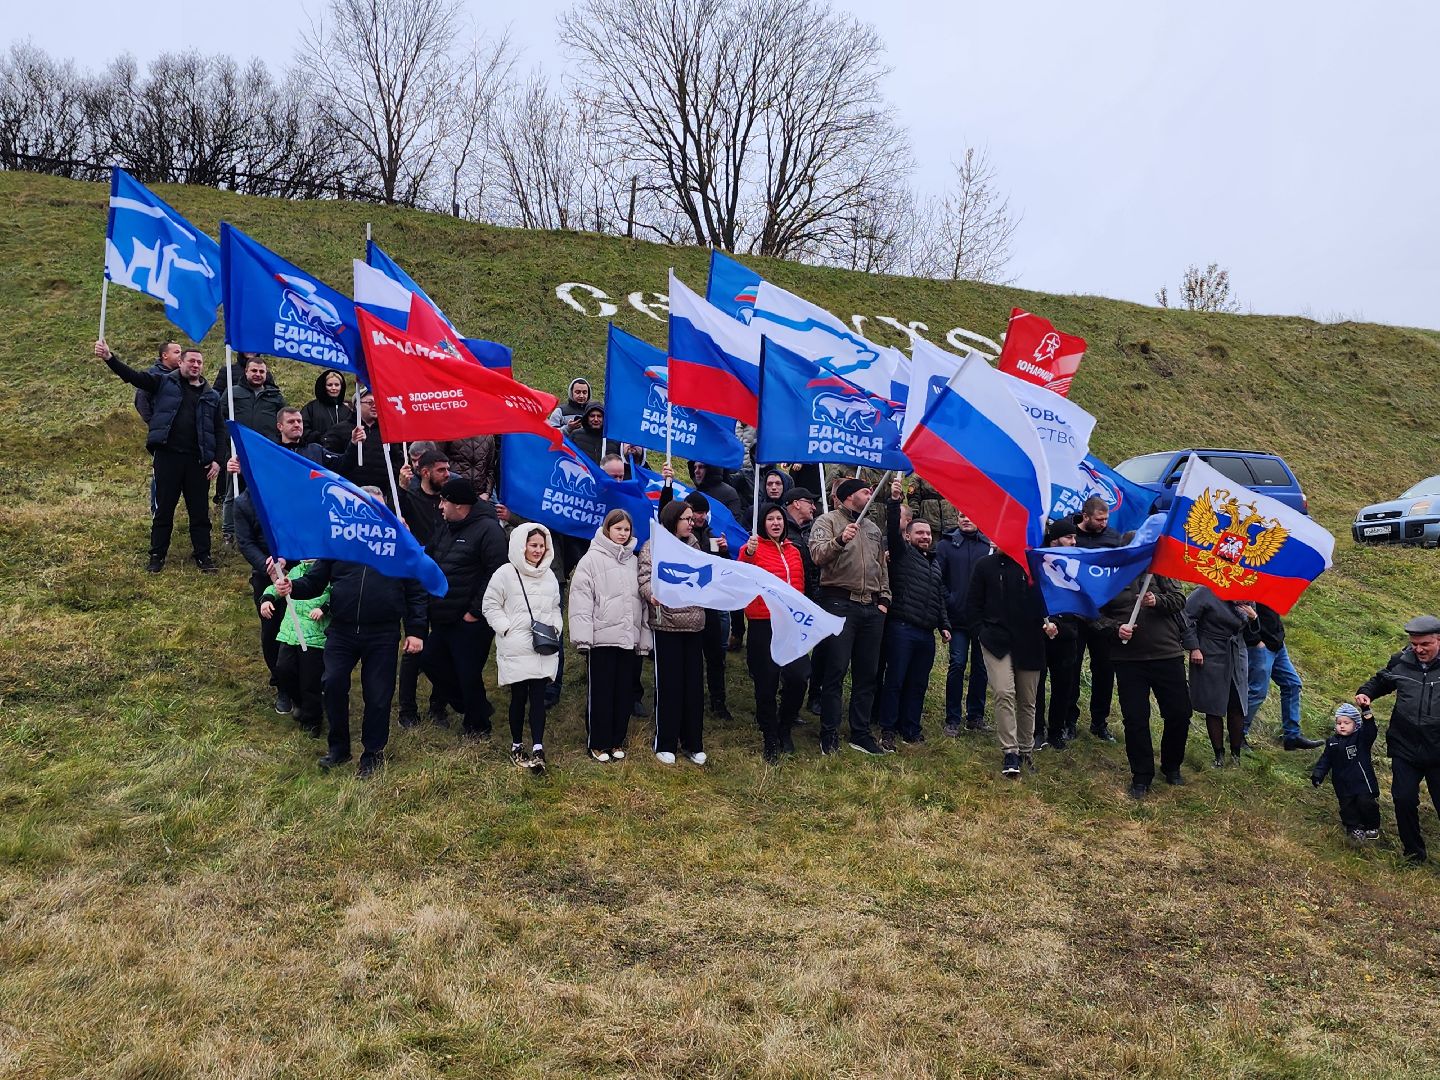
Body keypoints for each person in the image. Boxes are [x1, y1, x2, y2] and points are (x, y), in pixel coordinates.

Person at [275, 526, 428, 779]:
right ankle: (338, 748)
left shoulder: (400, 545)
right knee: (332, 684)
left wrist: (416, 630)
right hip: (342, 629)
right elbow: (315, 581)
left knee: (378, 695)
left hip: (382, 633)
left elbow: (416, 591)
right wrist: (292, 586)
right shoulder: (339, 542)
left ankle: (372, 754)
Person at [95, 339, 222, 573]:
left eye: (200, 362)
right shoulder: (163, 382)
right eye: (191, 360)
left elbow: (219, 430)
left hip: (198, 462)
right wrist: (109, 358)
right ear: (180, 363)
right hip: (168, 457)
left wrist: (217, 460)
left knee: (200, 513)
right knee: (164, 509)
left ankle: (203, 556)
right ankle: (157, 556)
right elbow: (134, 377)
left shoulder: (211, 395)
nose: (195, 365)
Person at [809, 478, 889, 756]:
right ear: (847, 496)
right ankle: (828, 733)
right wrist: (840, 540)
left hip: (871, 608)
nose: (870, 494)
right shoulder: (827, 521)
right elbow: (818, 556)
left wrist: (885, 600)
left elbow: (882, 567)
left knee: (867, 675)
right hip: (839, 603)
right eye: (865, 491)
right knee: (836, 671)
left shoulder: (873, 528)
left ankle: (861, 733)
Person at [424, 477, 507, 739]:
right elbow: (430, 557)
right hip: (442, 614)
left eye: (444, 501)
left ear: (459, 505)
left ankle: (478, 726)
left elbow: (496, 573)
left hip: (470, 619)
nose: (440, 506)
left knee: (468, 672)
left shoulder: (488, 530)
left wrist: (475, 611)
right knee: (430, 660)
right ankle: (474, 706)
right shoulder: (446, 526)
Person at [1355, 615, 1440, 863]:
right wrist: (1365, 693)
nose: (1419, 649)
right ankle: (1414, 854)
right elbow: (1381, 681)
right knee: (1403, 799)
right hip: (1405, 744)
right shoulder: (1402, 662)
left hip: (1438, 748)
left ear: (1438, 639)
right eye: (1414, 644)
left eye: (1425, 644)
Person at [569, 510, 651, 762]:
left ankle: (617, 740)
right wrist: (583, 638)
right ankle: (598, 742)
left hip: (628, 639)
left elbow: (643, 603)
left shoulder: (634, 561)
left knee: (623, 692)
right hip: (601, 638)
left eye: (626, 530)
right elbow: (581, 600)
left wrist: (644, 639)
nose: (623, 534)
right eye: (618, 529)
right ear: (607, 530)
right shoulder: (591, 560)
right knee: (601, 693)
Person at [1101, 573, 1192, 798]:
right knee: (1135, 718)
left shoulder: (1160, 571)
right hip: (1128, 660)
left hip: (1167, 654)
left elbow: (1179, 599)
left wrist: (1158, 601)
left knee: (1179, 713)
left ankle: (1171, 765)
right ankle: (1141, 776)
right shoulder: (1110, 575)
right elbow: (1094, 616)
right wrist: (1115, 628)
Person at [965, 547, 1054, 777]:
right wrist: (980, 633)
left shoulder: (1036, 567)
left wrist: (1051, 623)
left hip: (1031, 641)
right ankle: (1010, 752)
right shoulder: (984, 565)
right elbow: (973, 604)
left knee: (1028, 700)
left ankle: (1026, 750)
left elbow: (1050, 600)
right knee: (1004, 692)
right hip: (996, 640)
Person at [876, 477, 950, 750]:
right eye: (920, 533)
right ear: (908, 535)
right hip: (901, 628)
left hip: (926, 633)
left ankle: (911, 728)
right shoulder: (902, 553)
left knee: (918, 684)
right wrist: (895, 501)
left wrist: (944, 624)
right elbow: (892, 532)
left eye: (929, 534)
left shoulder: (934, 563)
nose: (926, 537)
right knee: (894, 680)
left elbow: (938, 597)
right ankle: (888, 730)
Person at [482, 523, 563, 772]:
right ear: (521, 546)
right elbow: (490, 605)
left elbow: (555, 607)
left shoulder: (549, 575)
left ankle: (538, 746)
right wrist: (505, 628)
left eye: (541, 545)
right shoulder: (505, 573)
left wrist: (556, 628)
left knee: (538, 698)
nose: (538, 550)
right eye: (533, 545)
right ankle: (517, 744)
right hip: (516, 646)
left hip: (542, 646)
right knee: (518, 697)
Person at [638, 499, 708, 765]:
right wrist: (652, 595)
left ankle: (693, 743)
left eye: (692, 519)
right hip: (666, 624)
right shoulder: (653, 546)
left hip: (694, 623)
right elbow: (644, 578)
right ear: (672, 520)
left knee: (693, 687)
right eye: (686, 519)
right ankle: (665, 742)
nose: (691, 523)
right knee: (669, 686)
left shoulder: (694, 546)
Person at [738, 503, 810, 762]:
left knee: (799, 676)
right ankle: (769, 735)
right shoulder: (753, 548)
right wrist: (748, 552)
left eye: (779, 518)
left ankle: (785, 725)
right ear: (763, 524)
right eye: (770, 519)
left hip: (790, 623)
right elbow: (741, 572)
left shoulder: (794, 551)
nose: (776, 523)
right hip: (763, 622)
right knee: (766, 682)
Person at [1185, 586, 1258, 768]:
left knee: (1237, 704)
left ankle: (1236, 755)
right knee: (1214, 705)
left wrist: (1253, 618)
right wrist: (1194, 647)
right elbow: (1185, 618)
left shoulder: (1249, 593)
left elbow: (1251, 636)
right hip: (1210, 651)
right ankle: (1219, 755)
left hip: (1237, 653)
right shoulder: (1206, 591)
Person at [1072, 497, 1124, 742]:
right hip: (1074, 613)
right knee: (1070, 669)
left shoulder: (1113, 538)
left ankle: (1099, 722)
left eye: (1106, 519)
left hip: (1104, 615)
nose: (1104, 523)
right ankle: (1067, 720)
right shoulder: (1070, 536)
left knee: (1104, 670)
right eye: (1099, 519)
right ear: (1085, 516)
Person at [936, 510, 992, 735]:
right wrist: (950, 600)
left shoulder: (988, 546)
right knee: (957, 665)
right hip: (957, 618)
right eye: (961, 516)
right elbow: (937, 577)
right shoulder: (946, 544)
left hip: (983, 620)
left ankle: (975, 716)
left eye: (971, 515)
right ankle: (952, 718)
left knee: (981, 667)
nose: (966, 519)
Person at [261, 560, 330, 738]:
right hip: (289, 633)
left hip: (314, 636)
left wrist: (324, 608)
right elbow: (277, 588)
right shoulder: (295, 571)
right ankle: (298, 702)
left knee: (310, 681)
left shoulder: (329, 570)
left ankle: (312, 720)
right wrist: (267, 599)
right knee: (284, 670)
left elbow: (335, 594)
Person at [1244, 603, 1320, 750]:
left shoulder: (1271, 583)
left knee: (1292, 684)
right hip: (1260, 646)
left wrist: (1279, 634)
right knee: (1257, 692)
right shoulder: (1249, 584)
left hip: (1277, 643)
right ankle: (1238, 734)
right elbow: (1240, 611)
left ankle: (1292, 736)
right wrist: (1255, 641)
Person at [1034, 519, 1083, 749]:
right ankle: (1036, 730)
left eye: (1075, 537)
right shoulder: (1037, 561)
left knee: (1064, 685)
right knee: (1037, 684)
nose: (1073, 542)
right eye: (1068, 537)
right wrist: (1046, 622)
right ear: (1055, 540)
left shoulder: (1078, 564)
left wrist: (1062, 626)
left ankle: (1056, 731)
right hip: (1040, 632)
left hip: (1068, 634)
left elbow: (1081, 600)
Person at [1311, 703, 1381, 844]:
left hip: (1362, 782)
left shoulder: (1361, 738)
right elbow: (1325, 760)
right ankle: (1353, 827)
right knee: (1347, 807)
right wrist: (1318, 774)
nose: (1342, 726)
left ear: (1355, 724)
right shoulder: (1332, 742)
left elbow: (1370, 731)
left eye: (1346, 723)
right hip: (1342, 783)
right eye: (1339, 723)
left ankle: (1372, 826)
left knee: (1366, 803)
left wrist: (1367, 713)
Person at [334, 389, 403, 492]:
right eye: (370, 402)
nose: (375, 406)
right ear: (357, 405)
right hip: (351, 491)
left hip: (382, 493)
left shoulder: (387, 430)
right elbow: (333, 463)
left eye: (378, 402)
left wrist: (390, 476)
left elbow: (398, 459)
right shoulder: (340, 430)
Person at [301, 369, 354, 449]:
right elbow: (302, 428)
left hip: (342, 453)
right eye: (329, 385)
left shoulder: (347, 410)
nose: (333, 388)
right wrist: (319, 438)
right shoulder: (311, 407)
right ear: (323, 386)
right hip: (317, 451)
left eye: (337, 385)